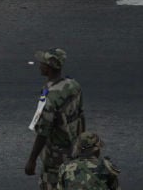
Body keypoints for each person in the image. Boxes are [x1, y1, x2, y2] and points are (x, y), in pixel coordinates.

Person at [25, 48, 85, 190]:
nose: (40, 65)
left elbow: (43, 132)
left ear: (49, 67)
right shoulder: (74, 85)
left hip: (55, 157)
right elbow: (81, 116)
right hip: (74, 149)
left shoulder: (50, 97)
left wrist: (31, 160)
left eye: (42, 63)